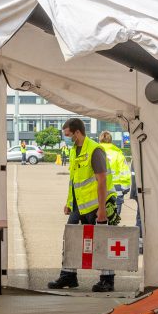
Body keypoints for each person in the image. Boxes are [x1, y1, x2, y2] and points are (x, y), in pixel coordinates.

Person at [47, 118, 121, 293]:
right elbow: (74, 180)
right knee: (71, 239)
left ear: (77, 132)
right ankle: (68, 276)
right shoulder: (74, 150)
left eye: (67, 135)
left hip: (97, 205)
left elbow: (101, 181)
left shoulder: (95, 150)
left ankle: (107, 279)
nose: (66, 138)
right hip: (79, 206)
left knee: (101, 242)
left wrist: (102, 210)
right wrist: (69, 203)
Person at [98, 131, 132, 217]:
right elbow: (125, 172)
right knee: (113, 219)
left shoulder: (95, 153)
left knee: (98, 221)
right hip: (116, 190)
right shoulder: (118, 154)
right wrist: (125, 188)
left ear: (100, 140)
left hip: (98, 189)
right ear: (111, 140)